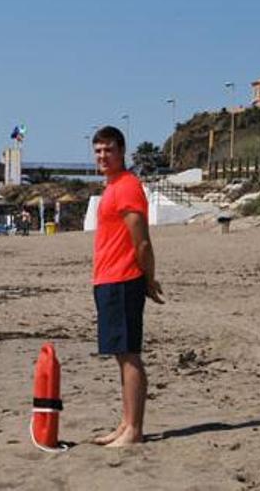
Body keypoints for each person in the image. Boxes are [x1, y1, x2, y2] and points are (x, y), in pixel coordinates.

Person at [90, 126, 163, 447]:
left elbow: (142, 241)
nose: (103, 156)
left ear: (122, 152)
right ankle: (125, 423)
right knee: (121, 354)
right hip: (107, 279)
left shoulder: (128, 186)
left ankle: (134, 429)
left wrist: (148, 279)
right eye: (98, 151)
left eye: (109, 150)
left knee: (129, 355)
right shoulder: (113, 186)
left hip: (123, 280)